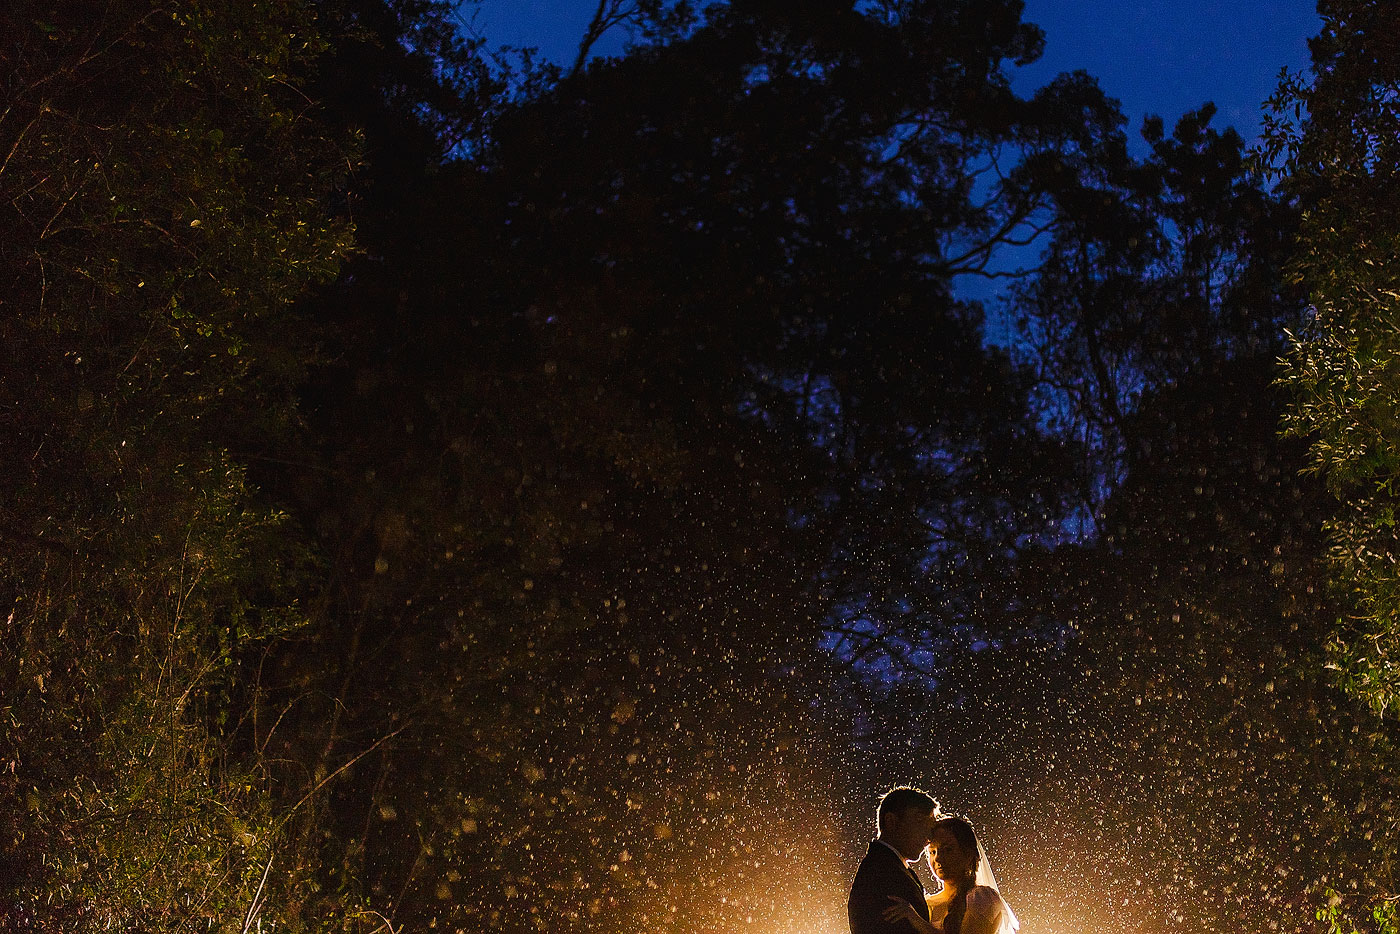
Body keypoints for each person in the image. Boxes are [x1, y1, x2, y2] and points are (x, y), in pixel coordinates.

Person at [882, 815, 1019, 934]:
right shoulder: (927, 903)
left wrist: (916, 920)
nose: (937, 858)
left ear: (968, 855)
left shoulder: (981, 898)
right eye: (932, 852)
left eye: (948, 849)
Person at [847, 786, 940, 934]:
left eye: (931, 827)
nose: (929, 837)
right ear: (891, 821)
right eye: (920, 822)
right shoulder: (881, 871)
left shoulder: (893, 867)